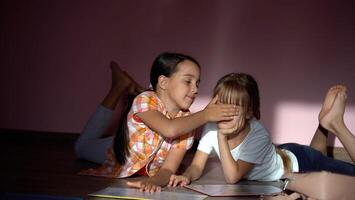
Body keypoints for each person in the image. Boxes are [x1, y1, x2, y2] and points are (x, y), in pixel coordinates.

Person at [74, 52, 238, 192]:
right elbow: (169, 129)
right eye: (188, 81)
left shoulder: (188, 122)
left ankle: (130, 86)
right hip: (119, 149)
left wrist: (152, 182)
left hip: (143, 159)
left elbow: (168, 169)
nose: (195, 89)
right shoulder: (144, 100)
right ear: (163, 82)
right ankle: (118, 88)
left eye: (197, 83)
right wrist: (205, 115)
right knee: (81, 147)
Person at [168, 73, 355, 189]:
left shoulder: (257, 134)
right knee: (318, 154)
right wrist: (186, 176)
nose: (223, 113)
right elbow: (196, 166)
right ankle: (324, 124)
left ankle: (335, 124)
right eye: (220, 105)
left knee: (324, 162)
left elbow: (232, 177)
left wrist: (221, 137)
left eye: (232, 108)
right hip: (281, 152)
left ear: (249, 111)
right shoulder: (211, 126)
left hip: (299, 163)